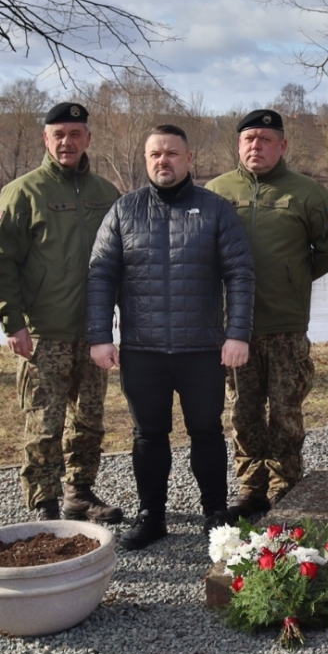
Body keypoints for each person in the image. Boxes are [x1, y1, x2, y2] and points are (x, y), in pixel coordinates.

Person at [88, 125, 255, 550]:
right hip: (142, 349)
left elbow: (239, 274)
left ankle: (215, 512)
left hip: (202, 348)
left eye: (172, 153)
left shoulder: (216, 210)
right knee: (148, 434)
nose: (163, 160)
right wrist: (100, 335)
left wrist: (237, 334)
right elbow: (101, 274)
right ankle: (152, 515)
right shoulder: (124, 211)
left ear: (189, 158)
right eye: (155, 154)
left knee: (207, 431)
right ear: (146, 160)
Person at [0, 102, 123, 523]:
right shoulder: (24, 192)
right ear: (46, 139)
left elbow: (125, 261)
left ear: (88, 139)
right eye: (58, 134)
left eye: (75, 134)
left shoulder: (107, 194)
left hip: (93, 333)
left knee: (89, 422)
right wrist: (13, 322)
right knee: (44, 425)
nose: (67, 142)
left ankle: (79, 494)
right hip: (44, 333)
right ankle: (44, 504)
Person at [205, 109, 328, 519]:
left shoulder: (307, 193)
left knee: (286, 412)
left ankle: (286, 487)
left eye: (265, 140)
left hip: (285, 325)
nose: (257, 146)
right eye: (249, 139)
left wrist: (292, 277)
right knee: (243, 412)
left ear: (282, 146)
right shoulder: (216, 192)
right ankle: (251, 488)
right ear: (238, 145)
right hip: (234, 329)